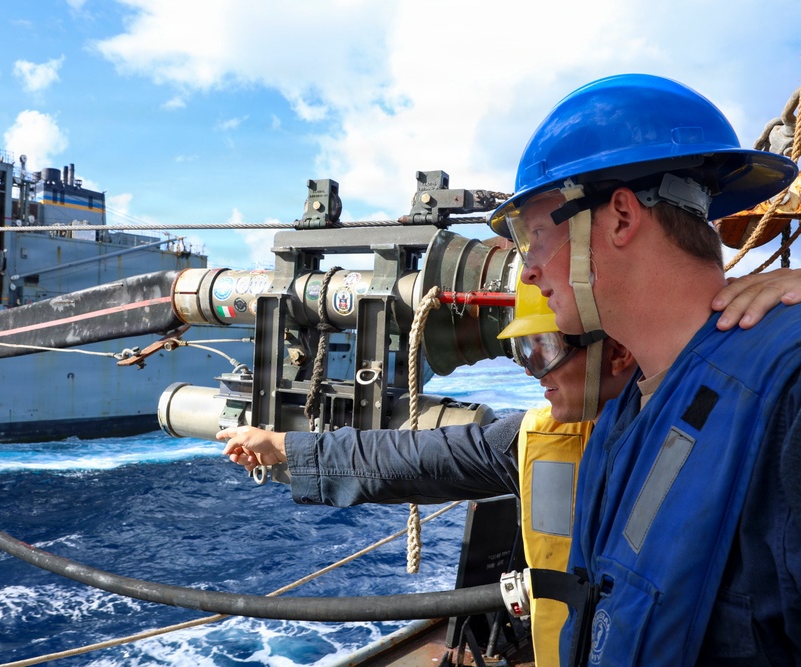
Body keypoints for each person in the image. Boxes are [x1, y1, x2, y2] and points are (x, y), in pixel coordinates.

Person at [218, 272, 801, 666]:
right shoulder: (536, 435)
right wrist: (287, 449)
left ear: (617, 353)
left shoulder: (755, 429)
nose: (531, 372)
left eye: (541, 350)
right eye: (520, 353)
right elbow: (416, 459)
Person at [487, 73, 801, 665]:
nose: (527, 272)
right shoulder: (624, 414)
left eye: (533, 237)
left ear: (622, 217)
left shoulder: (787, 394)